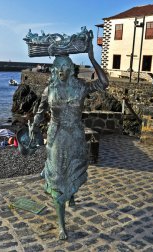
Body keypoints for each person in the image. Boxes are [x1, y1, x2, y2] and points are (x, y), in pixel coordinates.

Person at [28, 38, 108, 240]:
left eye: (65, 67)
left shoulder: (81, 88)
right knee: (58, 178)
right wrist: (34, 127)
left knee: (73, 170)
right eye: (58, 68)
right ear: (54, 71)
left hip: (75, 136)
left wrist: (91, 56)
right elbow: (40, 111)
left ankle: (70, 194)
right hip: (56, 135)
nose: (62, 71)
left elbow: (104, 82)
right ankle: (62, 224)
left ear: (71, 69)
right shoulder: (50, 90)